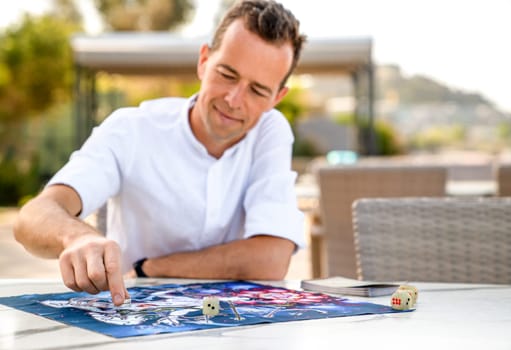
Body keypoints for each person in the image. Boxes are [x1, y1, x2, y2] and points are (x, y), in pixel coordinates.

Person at [14, 0, 307, 306]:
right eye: (227, 74)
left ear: (277, 97)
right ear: (204, 61)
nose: (234, 100)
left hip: (234, 323)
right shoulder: (131, 129)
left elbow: (271, 260)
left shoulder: (270, 131)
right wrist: (78, 237)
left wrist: (148, 268)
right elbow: (33, 217)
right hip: (136, 318)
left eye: (258, 90)